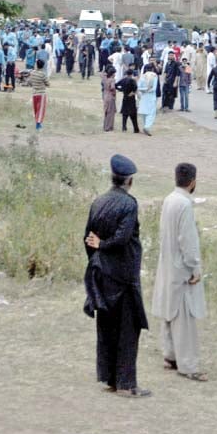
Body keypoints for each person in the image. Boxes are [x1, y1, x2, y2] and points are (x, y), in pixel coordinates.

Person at [83, 154, 150, 398]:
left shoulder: (98, 202)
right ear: (129, 180)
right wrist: (104, 246)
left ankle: (109, 378)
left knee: (107, 328)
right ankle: (126, 383)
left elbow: (87, 239)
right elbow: (122, 239)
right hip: (124, 276)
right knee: (128, 331)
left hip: (102, 274)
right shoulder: (129, 204)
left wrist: (98, 256)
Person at [151, 163, 208, 382]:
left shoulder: (169, 199)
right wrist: (194, 266)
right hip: (181, 267)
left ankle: (170, 356)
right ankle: (188, 365)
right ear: (193, 181)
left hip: (167, 263)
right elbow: (188, 240)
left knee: (169, 312)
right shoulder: (184, 204)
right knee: (184, 317)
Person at [27, 59, 50, 130]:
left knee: (36, 109)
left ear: (36, 65)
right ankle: (38, 124)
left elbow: (29, 82)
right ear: (43, 66)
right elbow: (48, 84)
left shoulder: (32, 73)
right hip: (41, 94)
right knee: (41, 110)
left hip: (34, 94)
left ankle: (37, 122)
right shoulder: (43, 74)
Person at [115, 69, 139, 133]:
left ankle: (124, 127)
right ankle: (136, 128)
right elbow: (135, 88)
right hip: (131, 98)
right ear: (132, 74)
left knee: (124, 113)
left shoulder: (123, 80)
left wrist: (121, 89)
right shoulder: (132, 80)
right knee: (133, 114)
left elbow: (116, 85)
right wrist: (132, 92)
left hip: (125, 97)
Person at [137, 66, 157, 136]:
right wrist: (147, 89)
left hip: (144, 96)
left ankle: (146, 126)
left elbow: (138, 87)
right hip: (151, 97)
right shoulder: (154, 76)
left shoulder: (142, 76)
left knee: (144, 112)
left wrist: (144, 89)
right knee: (151, 113)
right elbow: (153, 89)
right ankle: (147, 126)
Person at [102, 66, 117, 132]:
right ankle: (109, 127)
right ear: (112, 74)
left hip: (105, 95)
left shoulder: (105, 79)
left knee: (106, 111)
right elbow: (112, 87)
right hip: (110, 96)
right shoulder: (112, 80)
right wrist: (114, 93)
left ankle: (105, 125)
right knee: (111, 112)